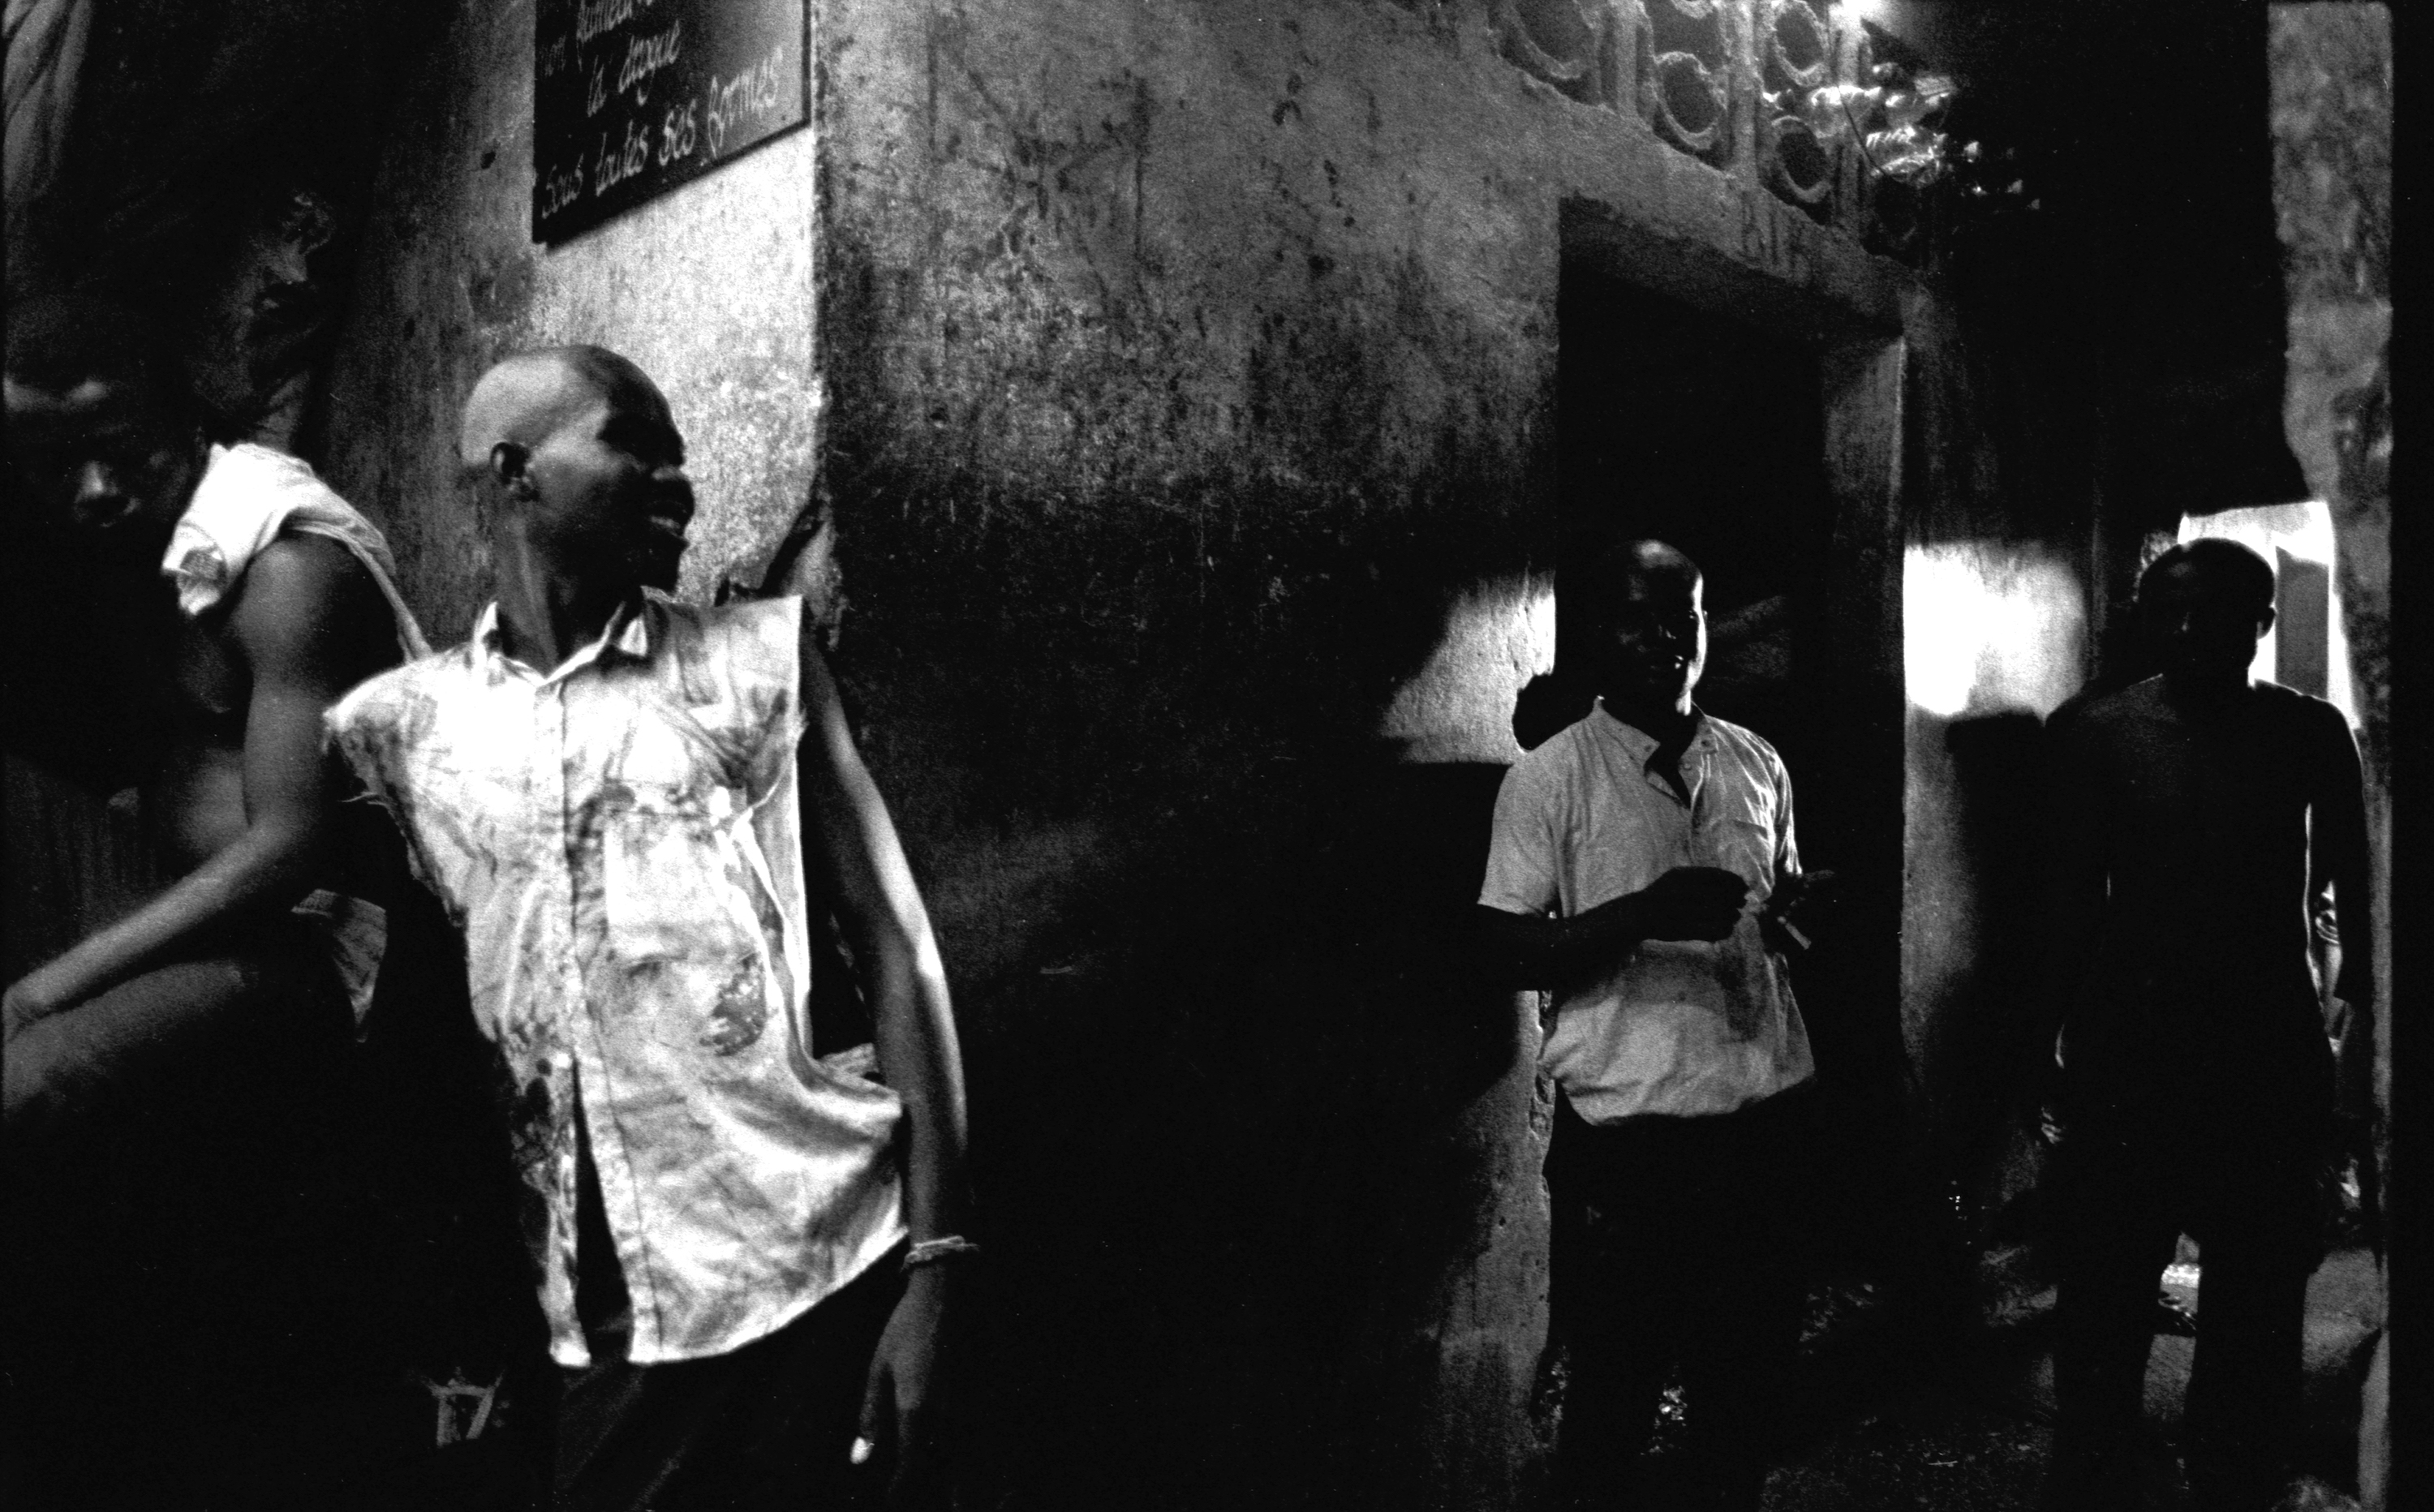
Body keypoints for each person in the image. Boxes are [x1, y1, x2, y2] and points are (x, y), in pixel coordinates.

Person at [326, 346, 974, 1511]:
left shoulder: (757, 665)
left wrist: (934, 1273)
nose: (679, 484)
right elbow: (430, 1042)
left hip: (826, 1267)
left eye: (685, 459)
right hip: (608, 1331)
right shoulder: (402, 732)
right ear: (516, 472)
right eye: (637, 444)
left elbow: (897, 945)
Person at [2, 291, 426, 1508]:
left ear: (189, 420)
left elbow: (292, 847)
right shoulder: (128, 545)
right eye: (49, 469)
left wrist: (47, 985)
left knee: (22, 1088)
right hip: (175, 887)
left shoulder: (289, 563)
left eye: (123, 453)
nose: (89, 492)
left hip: (308, 950)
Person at [1477, 539, 1834, 1510]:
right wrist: (1642, 912)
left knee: (1741, 1398)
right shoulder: (1551, 778)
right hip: (1629, 1144)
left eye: (1687, 616)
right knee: (1614, 1404)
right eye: (1638, 616)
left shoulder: (1757, 761)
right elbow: (1503, 952)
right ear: (1596, 630)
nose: (1666, 639)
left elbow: (1778, 918)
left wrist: (1802, 917)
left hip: (1762, 1124)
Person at [2039, 538, 2373, 1512]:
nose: (2187, 634)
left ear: (2262, 625)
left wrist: (2357, 1057)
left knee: (2258, 1302)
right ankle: (2096, 1477)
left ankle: (2232, 1474)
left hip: (2265, 1051)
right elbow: (2064, 907)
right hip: (2126, 1052)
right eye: (2168, 613)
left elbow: (2359, 891)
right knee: (2103, 1301)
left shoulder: (2311, 733)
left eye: (2215, 615)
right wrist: (2043, 1052)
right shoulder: (2094, 732)